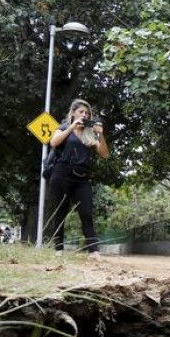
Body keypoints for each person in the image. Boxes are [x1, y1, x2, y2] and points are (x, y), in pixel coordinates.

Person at [45, 98, 109, 258]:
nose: (85, 115)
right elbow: (53, 142)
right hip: (62, 174)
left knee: (86, 213)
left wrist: (101, 135)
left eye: (87, 113)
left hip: (82, 177)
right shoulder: (64, 127)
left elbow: (104, 154)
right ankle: (58, 249)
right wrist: (72, 127)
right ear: (73, 113)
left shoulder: (89, 134)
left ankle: (93, 251)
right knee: (60, 211)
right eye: (81, 111)